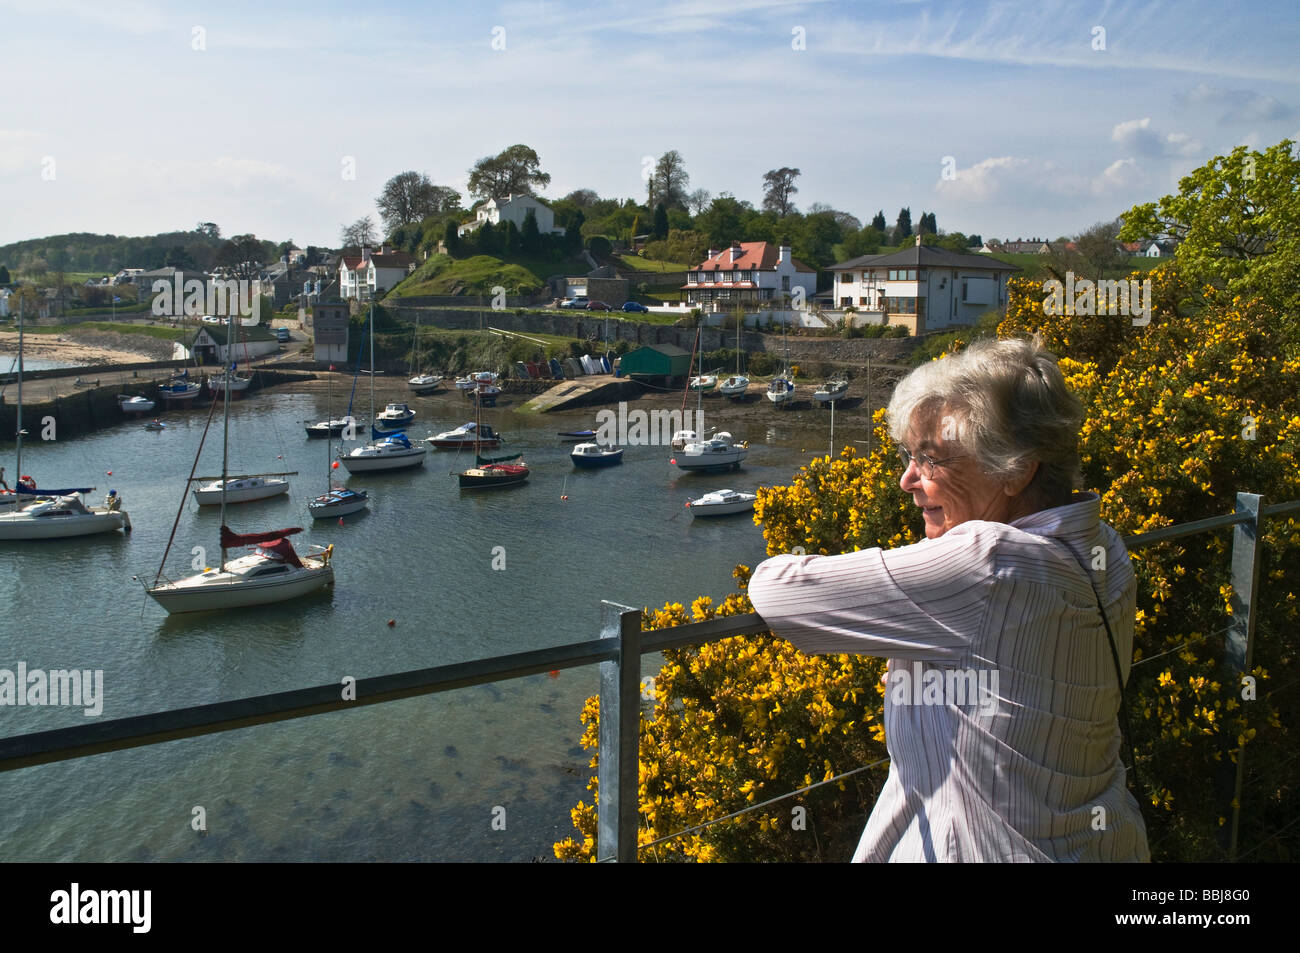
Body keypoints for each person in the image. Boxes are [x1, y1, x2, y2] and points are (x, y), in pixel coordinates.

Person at [748, 337, 1149, 862]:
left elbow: (776, 590)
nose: (907, 479)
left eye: (930, 460)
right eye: (909, 456)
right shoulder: (1103, 547)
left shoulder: (988, 562)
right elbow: (1017, 677)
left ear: (1016, 468)